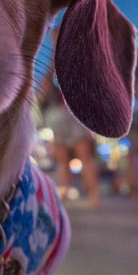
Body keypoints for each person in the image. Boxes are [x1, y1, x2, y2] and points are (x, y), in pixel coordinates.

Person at [38, 66, 102, 208]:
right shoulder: (78, 61)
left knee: (62, 160)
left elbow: (43, 91)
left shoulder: (51, 64)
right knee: (86, 158)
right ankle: (94, 196)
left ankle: (65, 194)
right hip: (77, 112)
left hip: (56, 114)